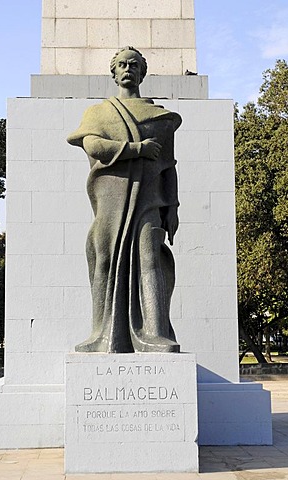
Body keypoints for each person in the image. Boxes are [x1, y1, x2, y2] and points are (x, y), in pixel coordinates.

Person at [67, 47, 182, 353]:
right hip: (110, 202)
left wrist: (173, 206)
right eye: (122, 64)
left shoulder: (160, 117)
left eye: (134, 65)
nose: (128, 69)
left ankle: (156, 333)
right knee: (103, 262)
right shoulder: (98, 113)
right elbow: (94, 146)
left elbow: (168, 166)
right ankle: (100, 335)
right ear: (114, 72)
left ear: (142, 73)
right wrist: (136, 149)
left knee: (150, 258)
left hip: (149, 200)